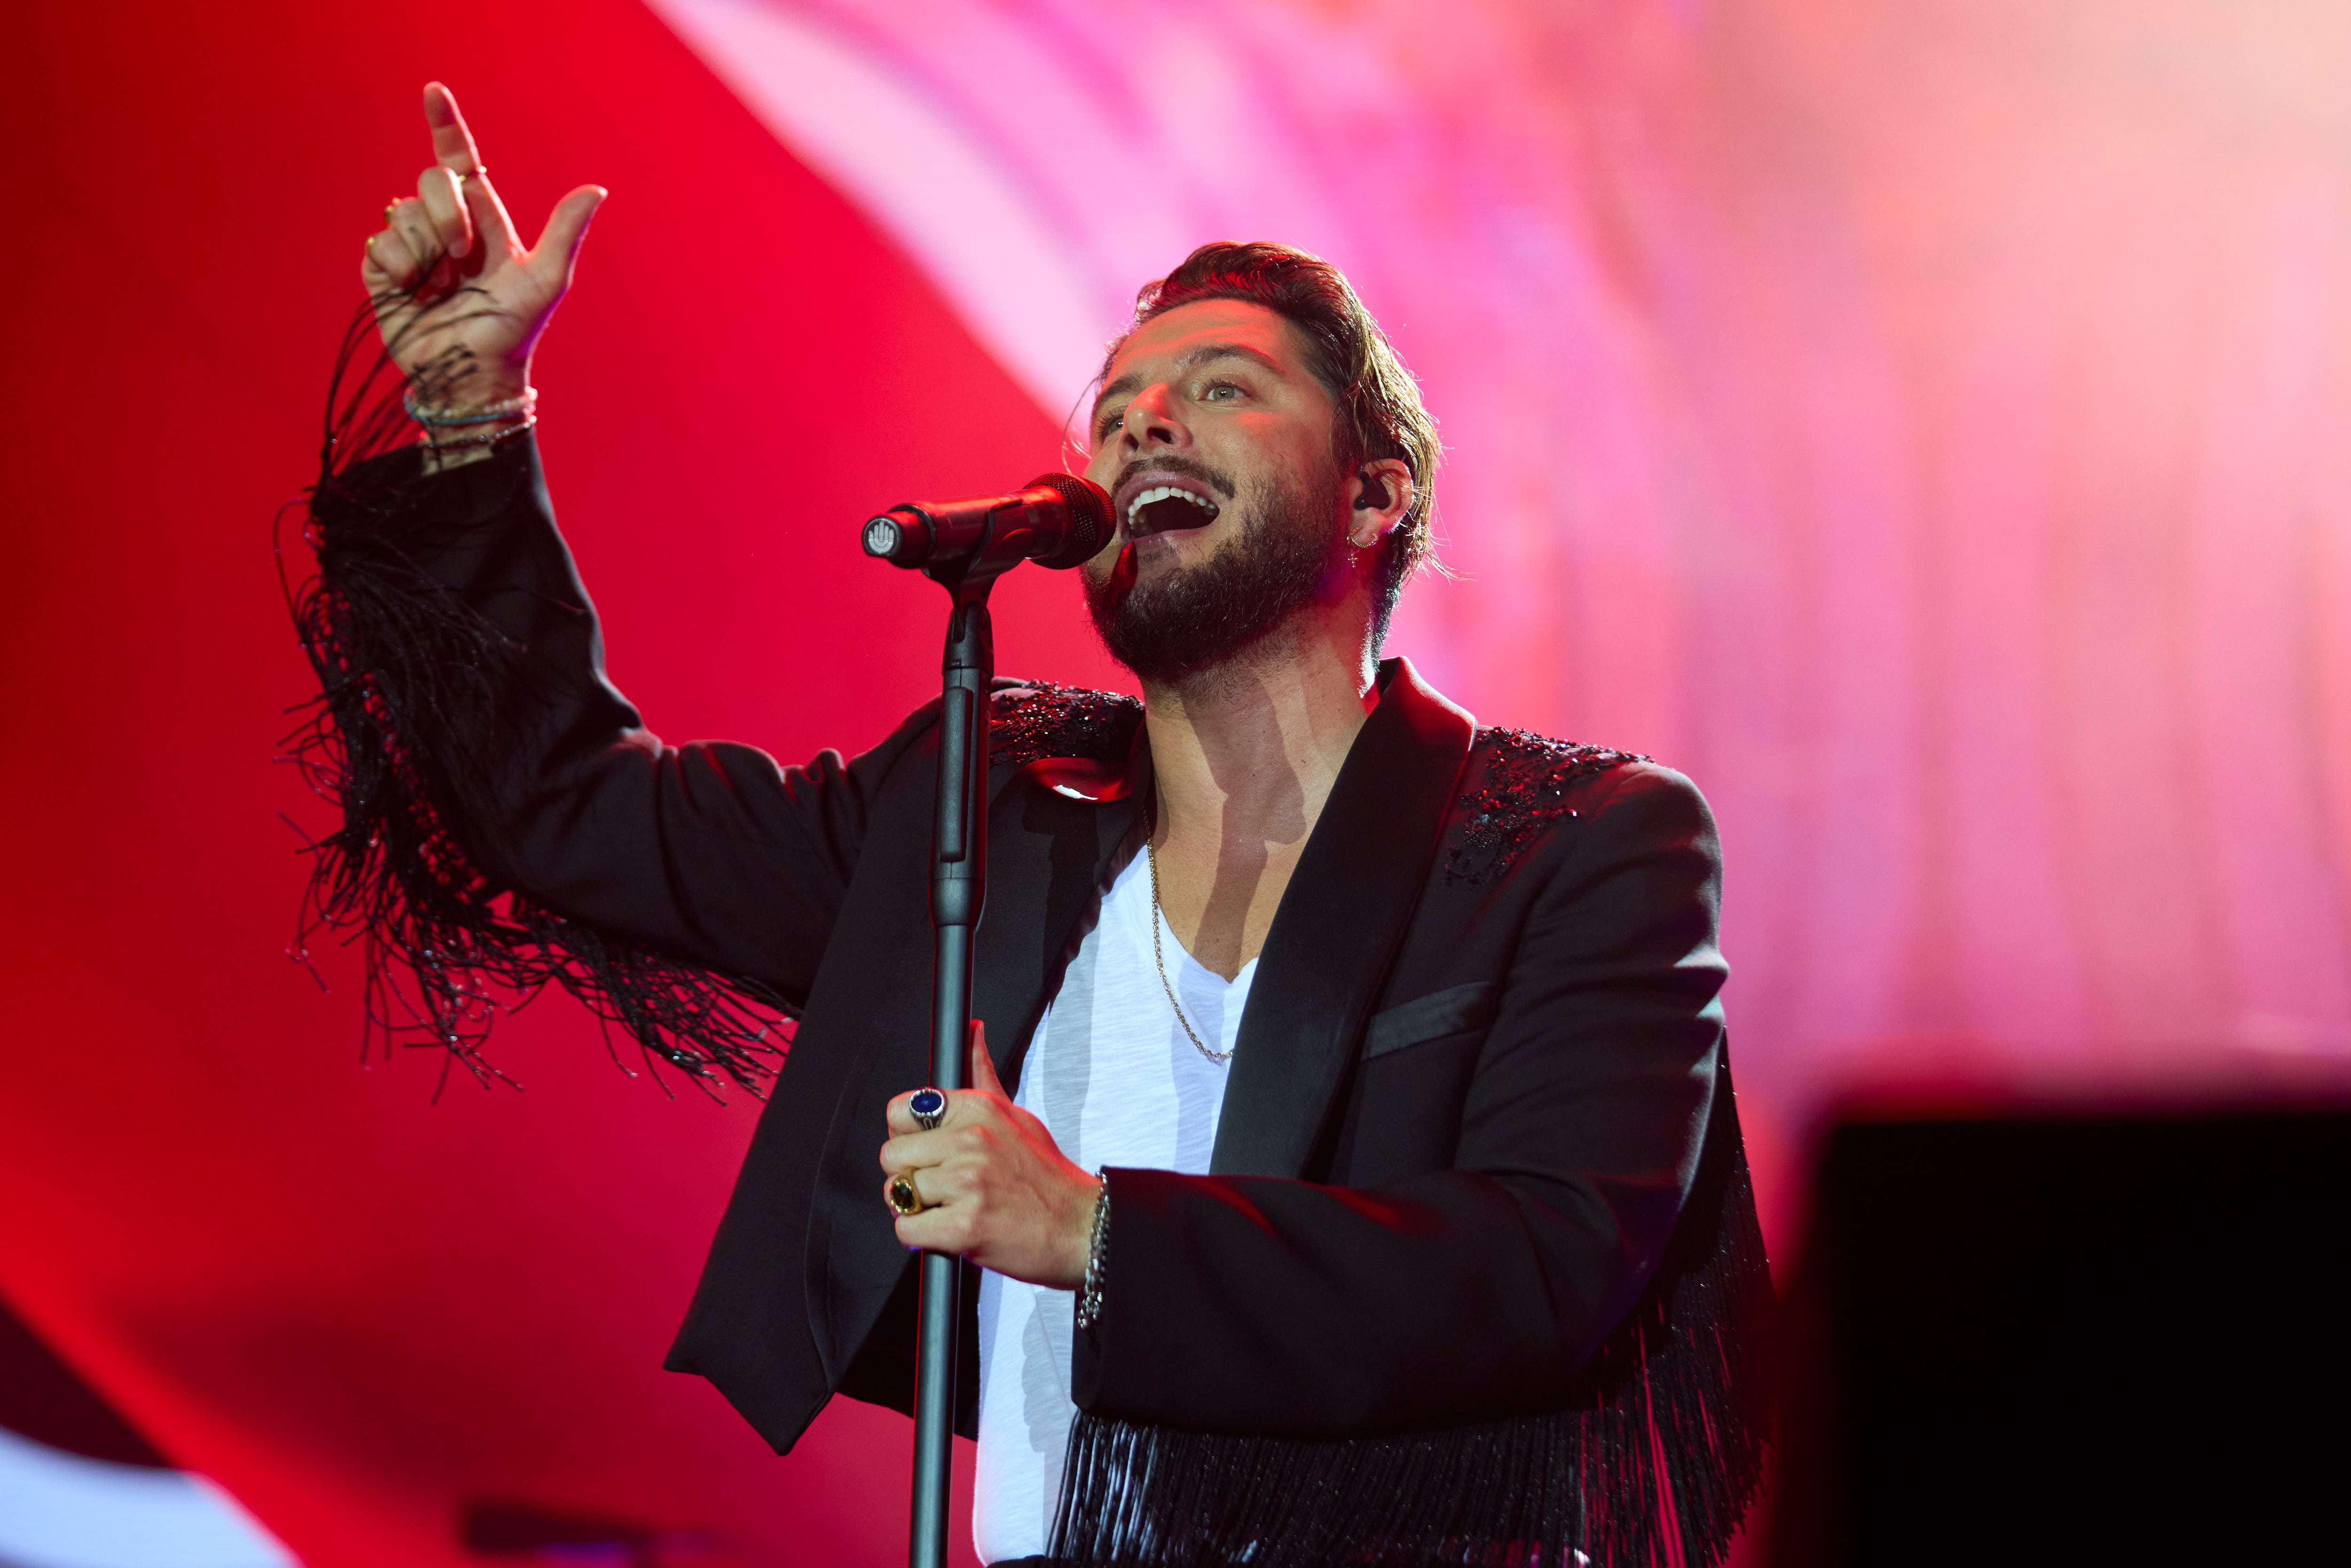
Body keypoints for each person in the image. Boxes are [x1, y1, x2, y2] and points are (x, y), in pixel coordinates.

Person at [298, 82, 1772, 1568]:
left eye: (1219, 386)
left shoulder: (1573, 840)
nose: (1141, 422)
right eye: (1121, 404)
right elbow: (573, 814)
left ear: (1375, 495)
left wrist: (1089, 1234)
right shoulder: (985, 813)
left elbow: (1541, 1265)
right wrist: (469, 411)